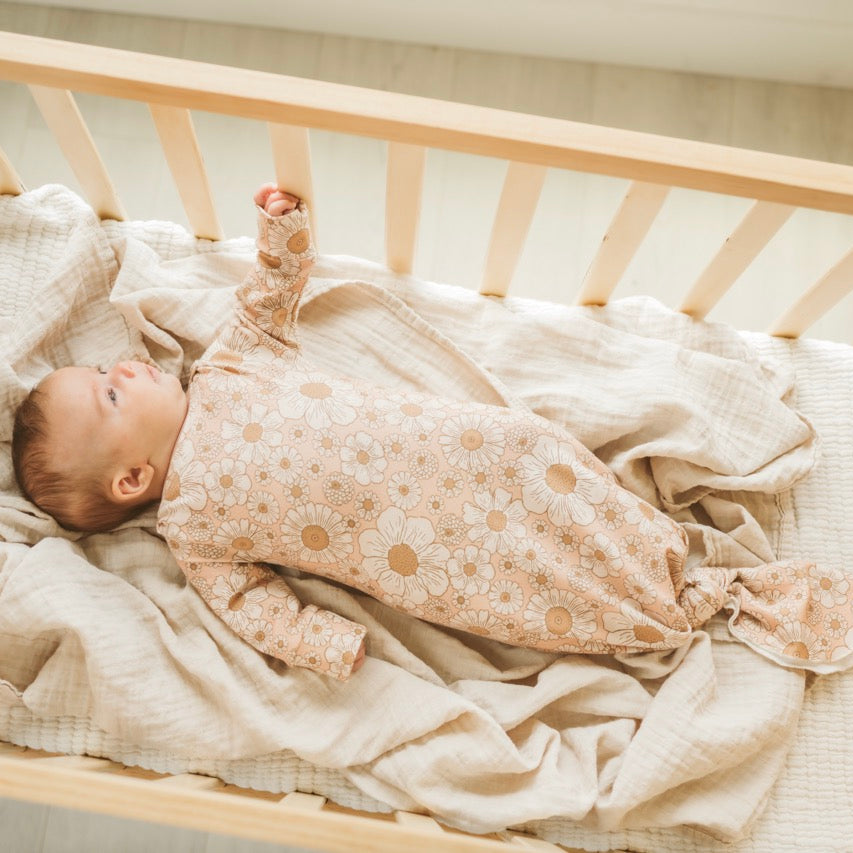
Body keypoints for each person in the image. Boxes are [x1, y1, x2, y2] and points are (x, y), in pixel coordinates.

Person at [12, 184, 853, 681]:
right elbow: (250, 606)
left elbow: (269, 295)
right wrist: (324, 643)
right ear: (132, 480)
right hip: (428, 555)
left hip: (476, 454)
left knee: (539, 453)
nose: (123, 368)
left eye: (107, 368)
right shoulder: (194, 530)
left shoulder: (228, 365)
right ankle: (676, 601)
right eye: (110, 394)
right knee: (513, 589)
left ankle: (663, 557)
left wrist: (281, 232)